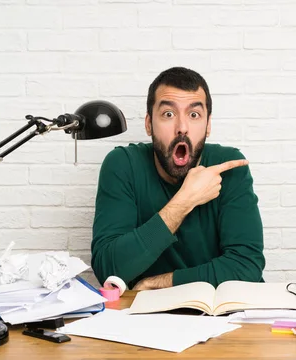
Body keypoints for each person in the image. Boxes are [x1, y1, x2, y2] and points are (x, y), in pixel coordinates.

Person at [91, 67, 265, 291]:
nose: (182, 128)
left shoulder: (229, 166)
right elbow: (109, 270)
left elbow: (246, 266)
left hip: (224, 315)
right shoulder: (122, 165)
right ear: (148, 124)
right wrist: (184, 201)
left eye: (194, 115)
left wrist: (162, 282)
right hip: (148, 318)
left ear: (208, 125)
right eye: (168, 114)